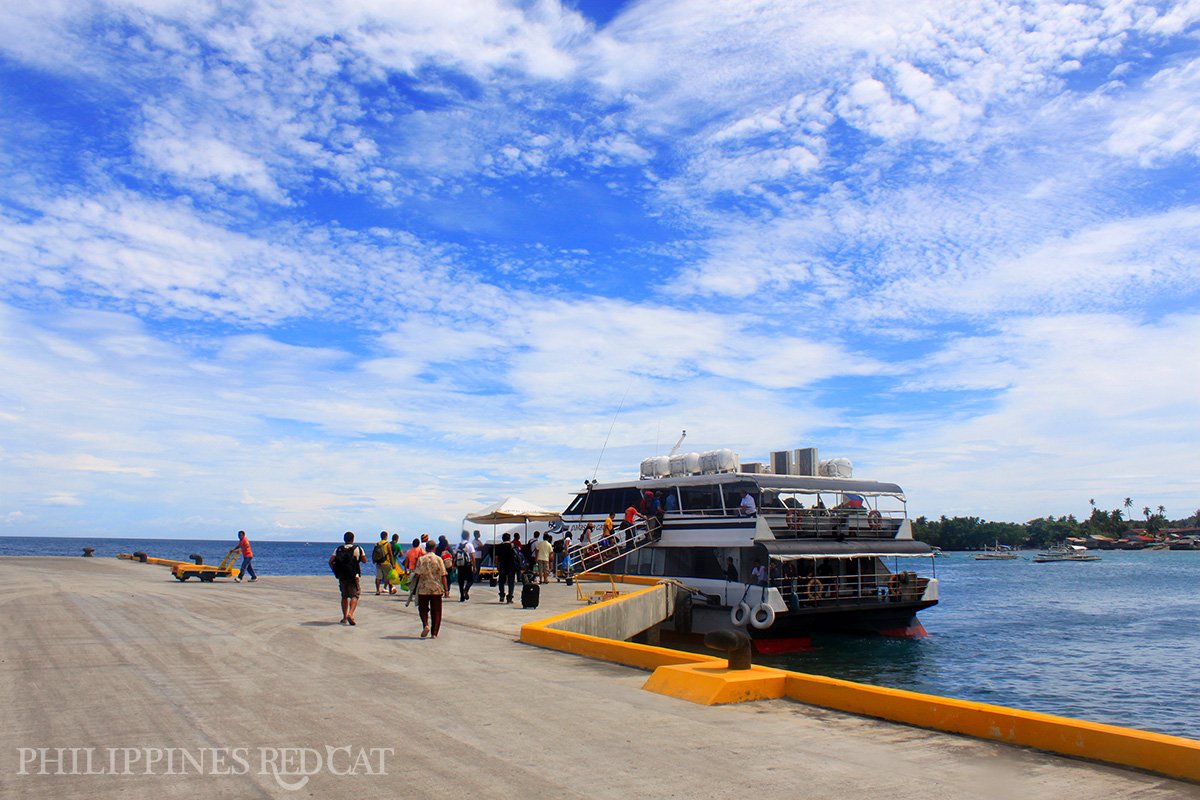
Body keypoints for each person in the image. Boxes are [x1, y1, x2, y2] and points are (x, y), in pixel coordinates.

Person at [329, 532, 366, 625]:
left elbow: (330, 561)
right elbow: (364, 560)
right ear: (353, 539)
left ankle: (344, 617)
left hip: (342, 576)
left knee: (344, 596)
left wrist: (335, 572)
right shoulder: (358, 548)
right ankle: (350, 614)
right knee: (355, 595)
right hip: (354, 575)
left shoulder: (338, 549)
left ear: (344, 539)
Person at [413, 545, 449, 638]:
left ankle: (425, 624)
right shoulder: (439, 559)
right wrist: (446, 589)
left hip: (423, 588)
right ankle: (434, 633)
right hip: (436, 589)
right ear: (434, 548)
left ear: (426, 548)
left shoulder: (421, 559)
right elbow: (443, 575)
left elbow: (417, 574)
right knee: (436, 611)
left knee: (423, 609)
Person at [494, 532, 518, 604]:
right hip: (511, 566)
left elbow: (496, 557)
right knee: (511, 582)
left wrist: (497, 565)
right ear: (510, 538)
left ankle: (502, 595)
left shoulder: (499, 546)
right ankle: (509, 597)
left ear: (502, 538)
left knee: (501, 581)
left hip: (502, 565)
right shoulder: (513, 546)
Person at [403, 538, 425, 607]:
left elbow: (406, 561)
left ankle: (411, 596)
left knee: (412, 583)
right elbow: (424, 558)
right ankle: (418, 597)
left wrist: (405, 569)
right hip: (418, 569)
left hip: (411, 569)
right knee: (419, 583)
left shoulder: (409, 551)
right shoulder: (420, 550)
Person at [455, 532, 476, 602]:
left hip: (460, 565)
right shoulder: (469, 545)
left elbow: (455, 556)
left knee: (461, 581)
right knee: (471, 579)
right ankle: (466, 589)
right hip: (467, 564)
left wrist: (454, 565)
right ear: (468, 536)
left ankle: (461, 597)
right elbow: (472, 556)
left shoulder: (458, 545)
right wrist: (474, 566)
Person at [372, 531, 394, 595]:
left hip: (378, 562)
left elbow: (374, 553)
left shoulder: (377, 544)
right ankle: (390, 590)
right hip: (386, 562)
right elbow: (390, 554)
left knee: (378, 577)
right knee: (389, 577)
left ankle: (377, 590)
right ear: (386, 536)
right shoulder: (387, 544)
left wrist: (374, 560)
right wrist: (393, 563)